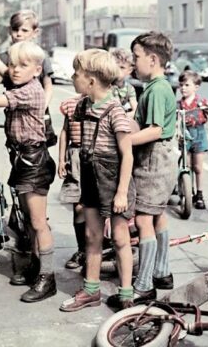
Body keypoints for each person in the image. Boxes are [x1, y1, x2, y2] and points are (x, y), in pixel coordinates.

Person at [0, 41, 57, 303]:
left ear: (37, 70)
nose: (14, 70)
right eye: (13, 64)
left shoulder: (31, 91)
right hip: (23, 159)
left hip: (33, 161)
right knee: (29, 221)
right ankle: (37, 268)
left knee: (38, 223)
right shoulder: (22, 83)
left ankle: (47, 278)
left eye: (22, 65)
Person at [59, 49, 135, 312]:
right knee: (92, 236)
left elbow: (127, 155)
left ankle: (126, 294)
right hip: (91, 178)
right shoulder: (82, 105)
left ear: (91, 81)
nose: (72, 77)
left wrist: (122, 192)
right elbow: (69, 129)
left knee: (120, 238)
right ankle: (91, 291)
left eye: (76, 74)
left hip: (114, 181)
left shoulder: (115, 111)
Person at [127, 31, 178, 303]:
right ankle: (162, 271)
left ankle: (144, 285)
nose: (134, 63)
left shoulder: (158, 89)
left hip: (154, 158)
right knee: (158, 214)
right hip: (162, 158)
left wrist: (125, 141)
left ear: (153, 59)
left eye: (136, 57)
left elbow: (155, 130)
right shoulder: (156, 87)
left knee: (144, 218)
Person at [0, 8, 57, 147]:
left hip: (34, 115)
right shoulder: (8, 55)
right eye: (16, 30)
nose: (19, 34)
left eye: (24, 30)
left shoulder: (37, 55)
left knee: (35, 147)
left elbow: (48, 86)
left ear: (35, 32)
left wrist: (41, 107)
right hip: (16, 116)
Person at [178, 70, 208, 209]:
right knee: (187, 165)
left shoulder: (201, 102)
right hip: (185, 135)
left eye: (187, 85)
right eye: (181, 85)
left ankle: (199, 194)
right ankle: (188, 191)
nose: (183, 88)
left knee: (198, 167)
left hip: (199, 134)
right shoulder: (179, 104)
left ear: (196, 87)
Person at [58, 94, 86, 269]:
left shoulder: (105, 101)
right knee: (77, 206)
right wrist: (61, 159)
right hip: (75, 157)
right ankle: (82, 249)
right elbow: (65, 131)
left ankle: (100, 248)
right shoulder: (70, 103)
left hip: (95, 156)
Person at [110, 48, 138, 118]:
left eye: (122, 67)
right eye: (115, 66)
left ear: (129, 70)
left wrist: (124, 116)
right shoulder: (106, 86)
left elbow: (136, 110)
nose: (117, 70)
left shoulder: (129, 89)